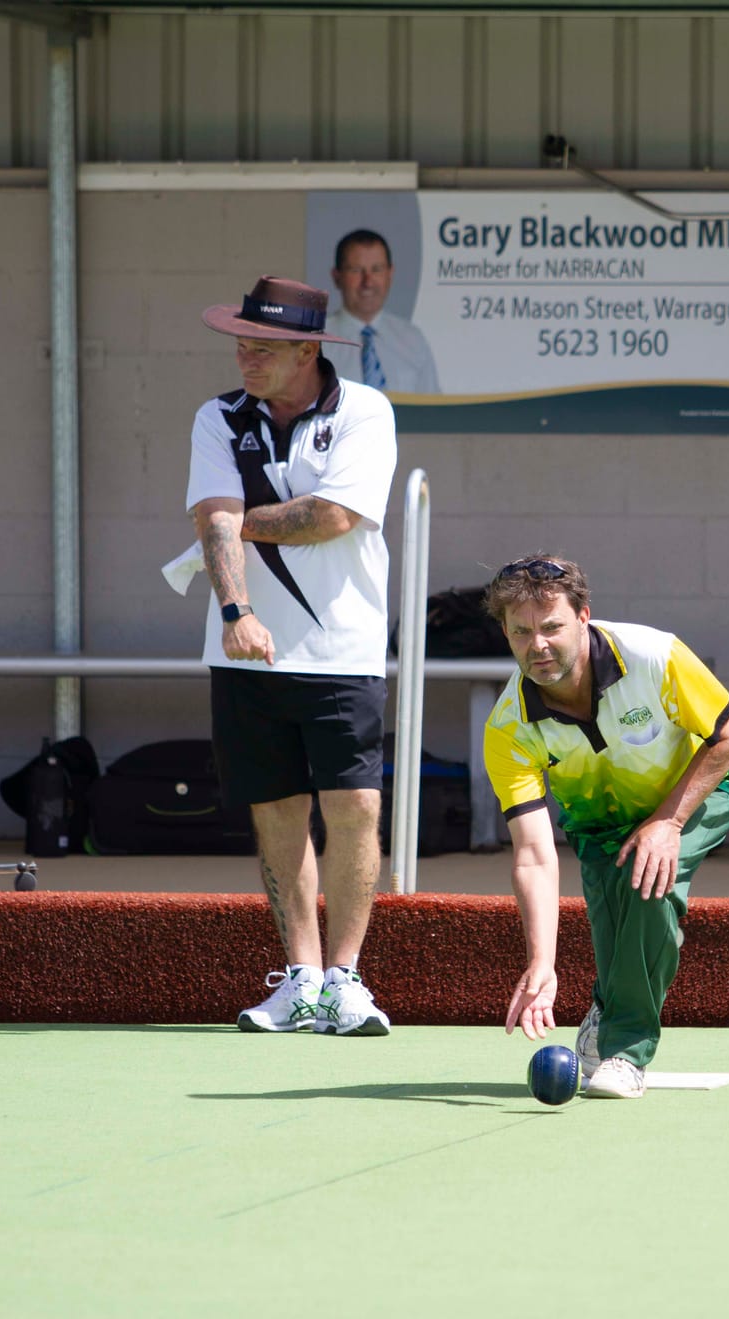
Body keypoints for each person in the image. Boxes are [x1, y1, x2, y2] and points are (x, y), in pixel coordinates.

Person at [188, 275, 399, 1036]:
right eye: (240, 342)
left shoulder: (365, 410)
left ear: (308, 349)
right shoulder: (217, 417)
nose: (245, 356)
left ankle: (347, 979)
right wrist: (237, 611)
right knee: (276, 814)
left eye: (264, 346)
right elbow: (213, 514)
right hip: (247, 655)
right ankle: (303, 978)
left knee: (355, 810)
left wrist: (239, 519)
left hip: (344, 652)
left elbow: (334, 514)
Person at [482, 555, 729, 1098]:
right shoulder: (508, 727)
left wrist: (669, 822)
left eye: (552, 626)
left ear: (583, 616)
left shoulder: (655, 656)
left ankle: (627, 1053)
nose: (539, 645)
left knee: (652, 885)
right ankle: (606, 1013)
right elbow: (534, 855)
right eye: (521, 632)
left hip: (699, 789)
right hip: (599, 824)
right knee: (616, 936)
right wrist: (542, 963)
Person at [325, 229, 443, 395]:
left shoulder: (413, 340)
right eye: (356, 270)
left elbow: (432, 412)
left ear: (390, 274)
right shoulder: (318, 344)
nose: (368, 281)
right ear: (337, 277)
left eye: (377, 269)